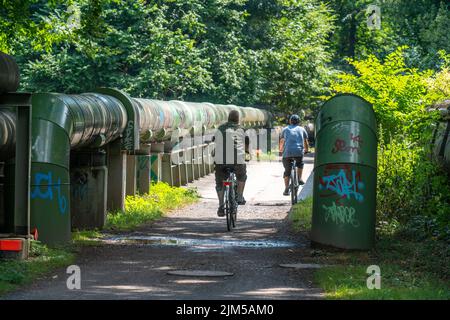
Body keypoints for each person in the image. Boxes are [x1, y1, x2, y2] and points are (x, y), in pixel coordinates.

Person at [213, 110, 249, 216]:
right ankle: (239, 196)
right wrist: (246, 152)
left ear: (228, 117)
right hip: (238, 159)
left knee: (220, 183)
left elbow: (215, 140)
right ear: (238, 119)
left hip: (221, 160)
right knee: (241, 176)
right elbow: (246, 141)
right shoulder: (241, 129)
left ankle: (220, 206)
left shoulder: (221, 128)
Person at [280, 114, 309, 196]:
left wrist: (281, 149)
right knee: (300, 163)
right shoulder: (302, 129)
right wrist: (306, 150)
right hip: (298, 152)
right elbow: (305, 142)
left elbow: (282, 141)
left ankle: (286, 188)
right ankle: (299, 179)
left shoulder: (285, 129)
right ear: (298, 122)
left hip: (287, 153)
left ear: (290, 121)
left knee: (287, 171)